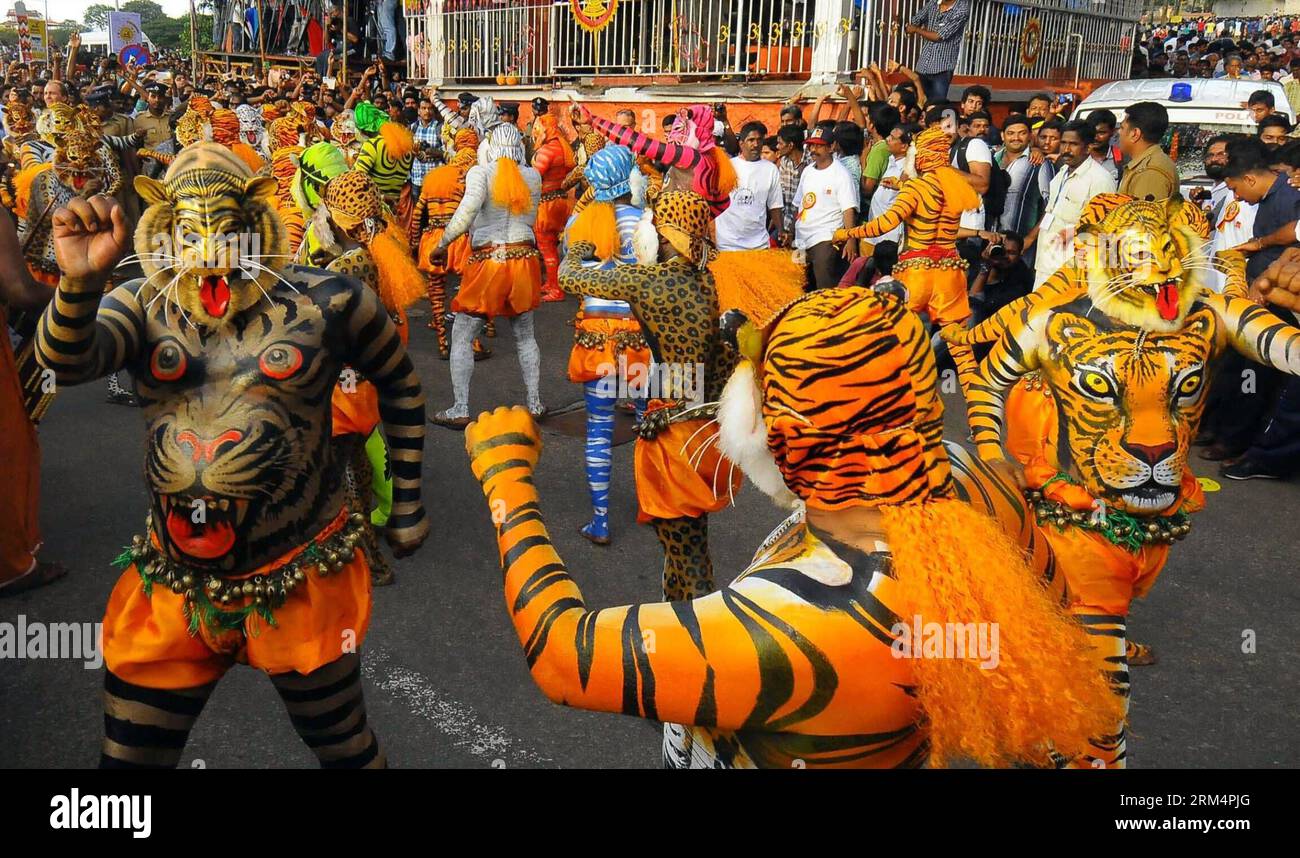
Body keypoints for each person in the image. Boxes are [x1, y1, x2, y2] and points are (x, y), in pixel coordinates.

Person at [459, 288, 1121, 769]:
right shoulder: (976, 479)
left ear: (786, 443)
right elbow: (1053, 605)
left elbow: (562, 657)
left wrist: (507, 485)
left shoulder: (801, 623)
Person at [35, 145, 429, 767]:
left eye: (227, 227)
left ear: (256, 217)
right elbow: (65, 362)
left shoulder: (329, 300)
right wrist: (80, 280)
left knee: (345, 748)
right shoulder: (140, 302)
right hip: (173, 582)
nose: (210, 250)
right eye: (190, 229)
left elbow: (403, 385)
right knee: (127, 767)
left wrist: (407, 500)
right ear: (164, 225)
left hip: (302, 575)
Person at [833, 125, 981, 389]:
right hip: (950, 275)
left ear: (922, 154)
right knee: (963, 354)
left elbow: (885, 223)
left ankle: (877, 401)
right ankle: (982, 427)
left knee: (888, 336)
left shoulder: (917, 188)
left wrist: (847, 232)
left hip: (916, 274)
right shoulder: (956, 187)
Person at [560, 145, 651, 545]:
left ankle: (600, 521)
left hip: (595, 339)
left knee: (599, 429)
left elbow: (569, 273)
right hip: (641, 340)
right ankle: (652, 504)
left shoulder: (577, 224)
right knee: (651, 426)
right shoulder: (645, 220)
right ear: (627, 178)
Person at [429, 122, 545, 427]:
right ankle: (534, 403)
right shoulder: (533, 175)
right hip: (525, 258)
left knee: (463, 334)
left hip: (488, 261)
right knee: (525, 334)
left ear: (489, 146)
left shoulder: (480, 173)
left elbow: (467, 212)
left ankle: (461, 407)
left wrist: (442, 243)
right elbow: (531, 218)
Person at [1028, 119, 1117, 287]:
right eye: (1063, 143)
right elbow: (1050, 214)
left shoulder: (1100, 179)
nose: (1066, 150)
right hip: (1045, 263)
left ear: (1088, 147)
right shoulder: (1062, 171)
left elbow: (1105, 230)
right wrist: (1030, 239)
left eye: (1073, 144)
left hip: (1072, 272)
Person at [793, 126, 858, 288]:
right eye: (811, 145)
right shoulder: (807, 170)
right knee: (801, 288)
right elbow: (799, 203)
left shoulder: (841, 174)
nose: (813, 150)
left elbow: (848, 209)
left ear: (831, 147)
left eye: (819, 146)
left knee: (825, 287)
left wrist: (851, 240)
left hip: (826, 238)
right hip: (802, 238)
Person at [715, 121, 783, 251]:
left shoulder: (771, 169)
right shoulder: (727, 166)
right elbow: (713, 200)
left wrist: (781, 230)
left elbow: (775, 206)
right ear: (741, 144)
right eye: (751, 140)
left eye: (759, 140)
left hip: (759, 244)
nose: (755, 144)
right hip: (727, 244)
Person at [531, 111, 577, 302]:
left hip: (546, 205)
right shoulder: (563, 147)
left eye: (538, 128)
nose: (535, 132)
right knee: (553, 245)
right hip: (562, 201)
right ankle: (551, 282)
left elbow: (535, 177)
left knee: (546, 246)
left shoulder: (547, 150)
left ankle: (555, 289)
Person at [904, 0, 972, 104]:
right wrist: (914, 26)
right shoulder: (933, 3)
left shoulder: (961, 10)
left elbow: (939, 36)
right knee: (917, 103)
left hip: (942, 70)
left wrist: (917, 30)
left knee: (936, 106)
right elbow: (916, 20)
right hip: (923, 66)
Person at [969, 231, 1032, 328]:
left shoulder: (1021, 277)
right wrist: (988, 264)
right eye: (1001, 251)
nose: (1005, 256)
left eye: (1011, 253)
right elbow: (973, 299)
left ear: (1020, 255)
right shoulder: (978, 265)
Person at [1117, 102, 1177, 201]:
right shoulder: (1145, 165)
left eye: (1122, 128)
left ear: (1135, 134)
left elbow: (1144, 215)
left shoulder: (1150, 172)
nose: (1119, 132)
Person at [997, 114, 1043, 237]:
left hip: (1023, 240)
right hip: (991, 238)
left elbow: (1051, 207)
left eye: (1022, 133)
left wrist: (1030, 239)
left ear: (1030, 136)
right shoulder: (991, 158)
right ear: (1002, 136)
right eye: (1010, 133)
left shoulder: (1039, 163)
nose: (1016, 138)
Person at [774, 124, 806, 246]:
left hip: (803, 226)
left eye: (780, 143)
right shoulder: (784, 162)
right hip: (785, 224)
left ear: (791, 145)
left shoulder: (810, 162)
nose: (777, 147)